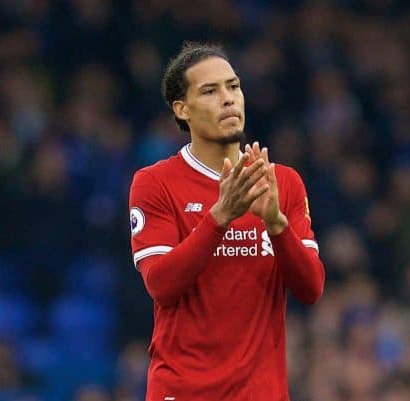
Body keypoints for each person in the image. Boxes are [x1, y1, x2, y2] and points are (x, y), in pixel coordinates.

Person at [128, 42, 325, 401]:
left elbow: (311, 289)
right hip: (184, 392)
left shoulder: (283, 183)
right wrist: (219, 217)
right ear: (182, 109)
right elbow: (161, 285)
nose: (228, 98)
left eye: (233, 86)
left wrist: (276, 224)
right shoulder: (155, 182)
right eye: (210, 91)